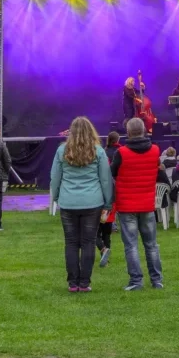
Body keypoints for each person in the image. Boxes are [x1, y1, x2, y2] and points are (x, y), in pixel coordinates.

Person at [51, 117, 114, 293]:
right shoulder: (98, 151)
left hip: (68, 201)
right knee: (88, 242)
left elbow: (55, 177)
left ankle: (73, 283)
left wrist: (56, 197)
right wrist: (108, 202)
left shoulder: (62, 151)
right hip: (92, 202)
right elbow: (105, 179)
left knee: (71, 243)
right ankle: (85, 283)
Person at [110, 118, 163, 290]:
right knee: (152, 244)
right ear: (144, 130)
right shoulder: (155, 150)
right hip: (147, 204)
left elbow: (113, 173)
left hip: (127, 205)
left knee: (131, 245)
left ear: (128, 132)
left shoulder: (122, 153)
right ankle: (157, 280)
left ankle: (136, 281)